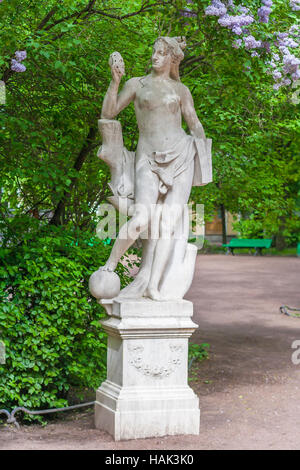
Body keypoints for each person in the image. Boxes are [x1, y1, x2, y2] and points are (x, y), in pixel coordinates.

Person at [99, 36, 211, 300]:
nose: (155, 56)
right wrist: (114, 82)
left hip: (181, 155)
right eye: (154, 51)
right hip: (147, 158)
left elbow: (193, 124)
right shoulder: (137, 85)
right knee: (141, 219)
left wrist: (204, 157)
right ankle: (110, 265)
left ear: (172, 59)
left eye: (162, 53)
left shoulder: (181, 90)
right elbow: (109, 112)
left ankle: (152, 285)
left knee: (169, 223)